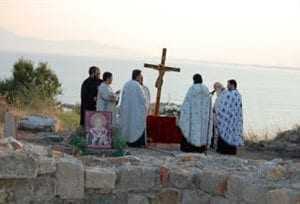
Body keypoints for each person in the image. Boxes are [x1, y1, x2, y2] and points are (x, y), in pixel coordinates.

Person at [179, 74, 213, 153]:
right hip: (203, 118)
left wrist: (183, 112)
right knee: (202, 132)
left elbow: (186, 103)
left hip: (193, 117)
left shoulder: (192, 89)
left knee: (192, 131)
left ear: (194, 80)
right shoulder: (206, 89)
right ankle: (201, 148)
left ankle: (190, 148)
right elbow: (209, 104)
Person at [214, 79, 244, 155]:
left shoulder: (230, 94)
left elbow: (222, 103)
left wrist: (218, 113)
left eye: (228, 85)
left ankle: (223, 150)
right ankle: (232, 151)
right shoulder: (238, 95)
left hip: (227, 118)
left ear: (232, 85)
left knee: (224, 132)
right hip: (234, 119)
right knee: (233, 134)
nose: (227, 86)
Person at [120, 69, 147, 147]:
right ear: (138, 76)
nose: (141, 77)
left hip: (127, 111)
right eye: (140, 75)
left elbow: (123, 98)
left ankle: (127, 141)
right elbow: (143, 99)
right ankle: (137, 143)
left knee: (127, 125)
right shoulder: (138, 86)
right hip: (136, 112)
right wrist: (144, 108)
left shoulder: (126, 84)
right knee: (136, 126)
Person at [211, 82, 226, 149]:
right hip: (216, 116)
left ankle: (216, 145)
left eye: (215, 88)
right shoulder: (221, 94)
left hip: (219, 117)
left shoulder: (223, 95)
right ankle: (215, 145)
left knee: (218, 132)